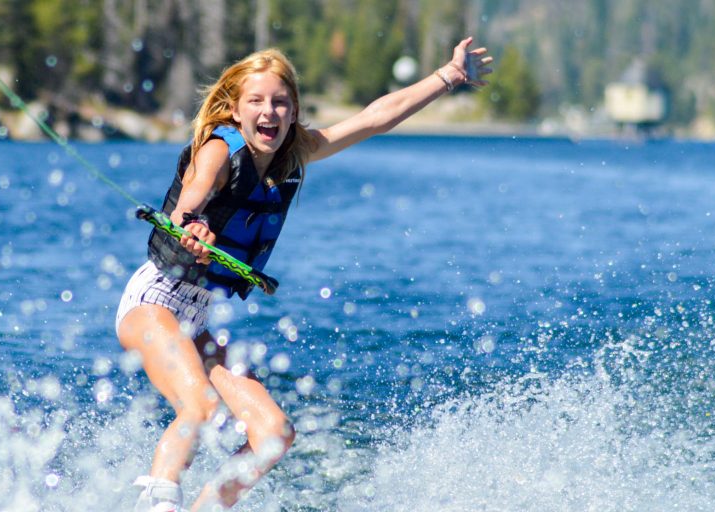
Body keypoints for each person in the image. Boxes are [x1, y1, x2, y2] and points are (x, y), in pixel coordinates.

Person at [116, 36, 492, 512]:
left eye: (280, 102)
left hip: (196, 321)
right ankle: (161, 500)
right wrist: (192, 223)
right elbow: (194, 191)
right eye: (256, 101)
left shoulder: (295, 153)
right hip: (153, 302)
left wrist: (449, 77)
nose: (268, 111)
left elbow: (375, 118)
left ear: (294, 111)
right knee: (200, 406)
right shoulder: (217, 148)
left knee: (274, 433)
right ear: (234, 109)